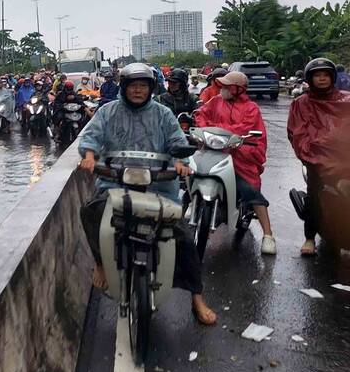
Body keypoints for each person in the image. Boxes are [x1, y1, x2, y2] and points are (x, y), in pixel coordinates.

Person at [78, 63, 217, 326]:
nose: (138, 90)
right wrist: (89, 156)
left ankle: (197, 298)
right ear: (124, 88)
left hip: (159, 186)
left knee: (184, 239)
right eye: (133, 86)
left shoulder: (163, 114)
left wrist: (180, 162)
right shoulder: (107, 111)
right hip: (114, 183)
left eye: (143, 86)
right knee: (90, 211)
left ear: (151, 88)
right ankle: (100, 263)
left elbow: (177, 141)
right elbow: (91, 137)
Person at [194, 71, 277, 255]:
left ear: (237, 89)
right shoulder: (215, 101)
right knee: (192, 171)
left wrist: (216, 130)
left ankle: (268, 235)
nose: (222, 89)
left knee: (250, 190)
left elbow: (244, 129)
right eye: (221, 86)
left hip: (241, 156)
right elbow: (201, 114)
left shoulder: (251, 109)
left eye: (226, 86)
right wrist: (205, 129)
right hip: (213, 151)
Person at [286, 58, 350, 255]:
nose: (322, 79)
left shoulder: (346, 100)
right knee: (314, 195)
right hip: (317, 160)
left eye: (325, 75)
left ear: (332, 77)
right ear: (310, 78)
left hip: (345, 158)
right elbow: (297, 133)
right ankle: (309, 238)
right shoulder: (301, 103)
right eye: (317, 75)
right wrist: (313, 155)